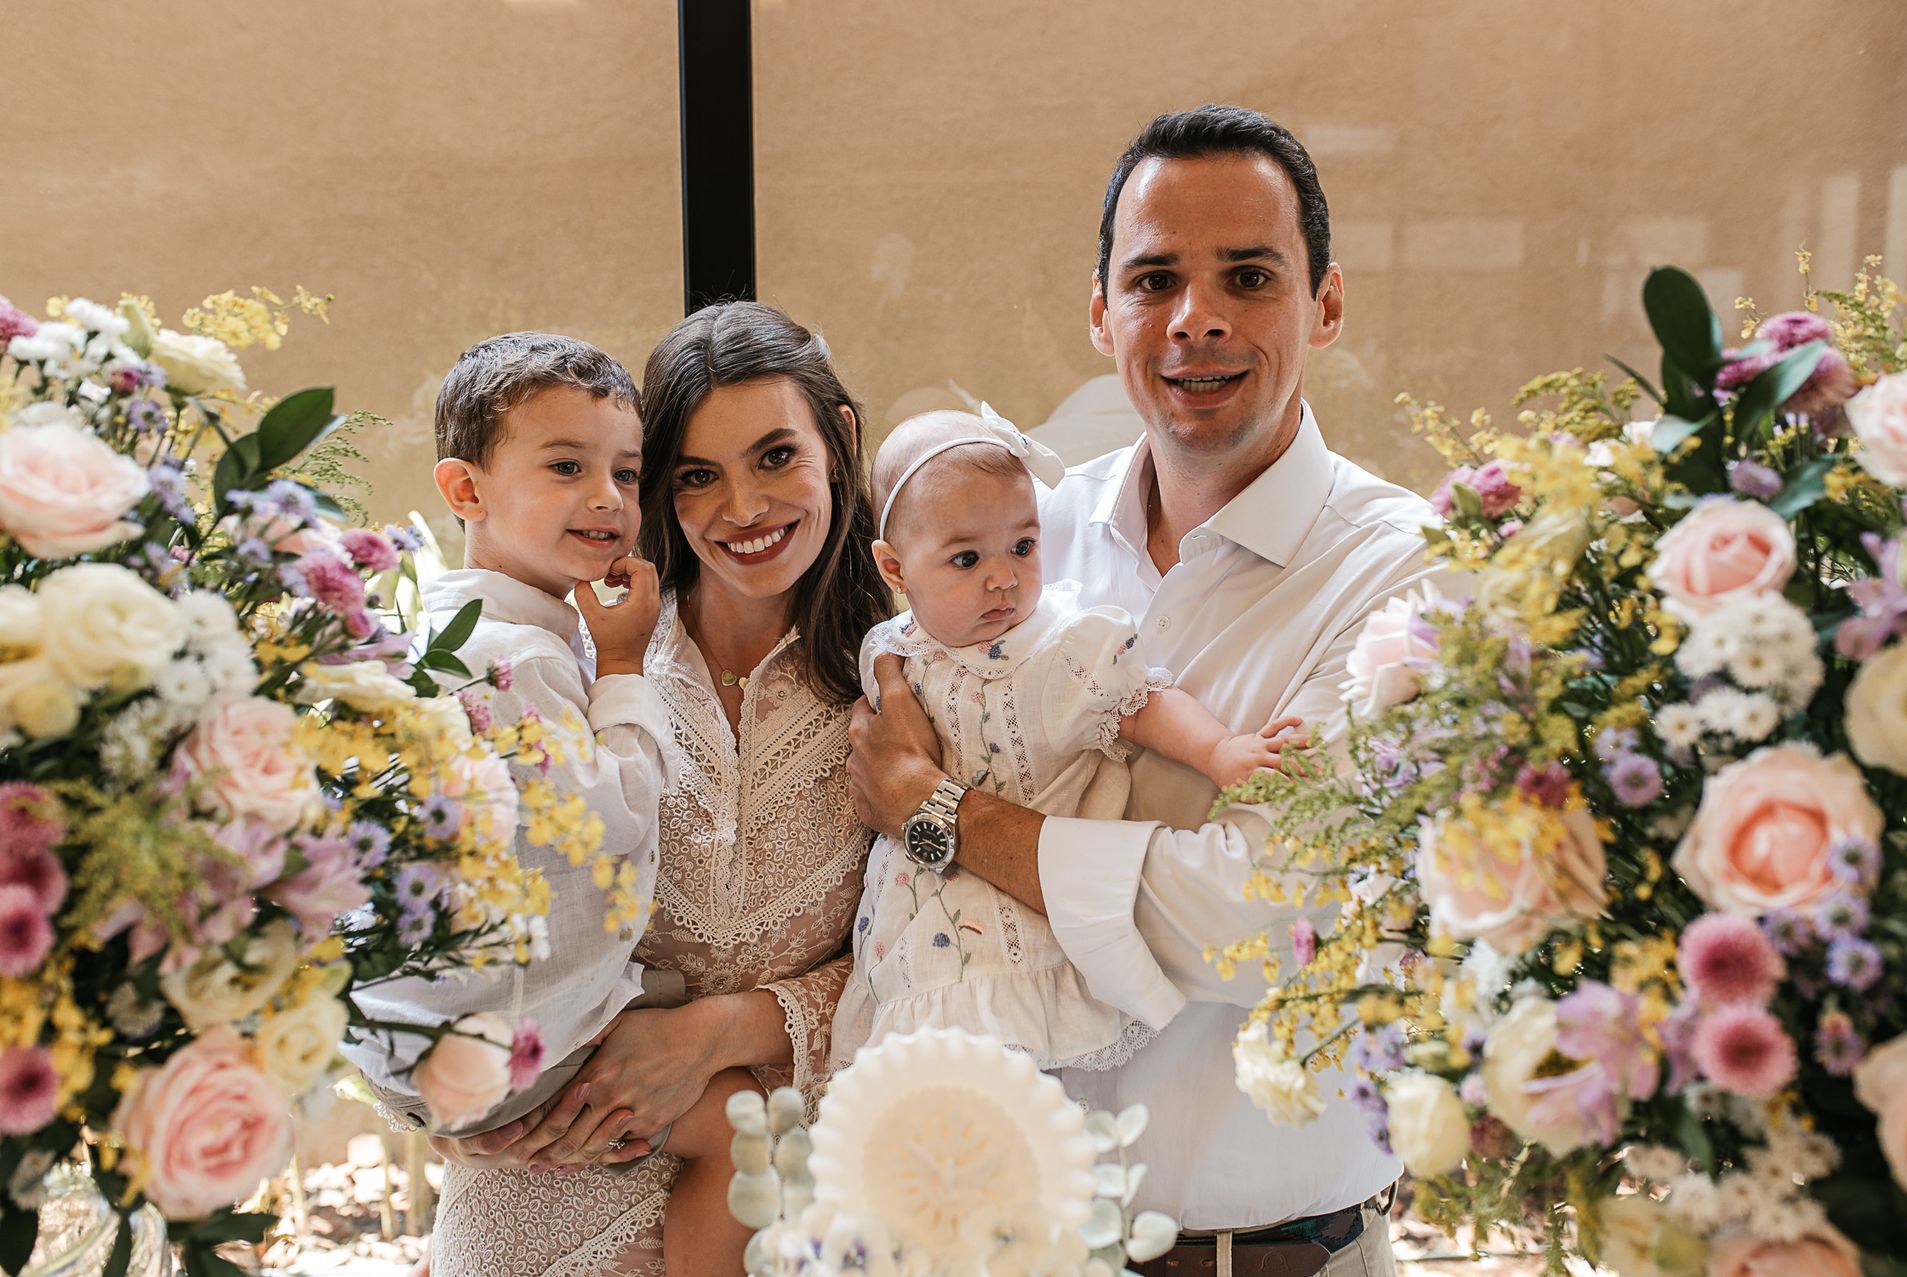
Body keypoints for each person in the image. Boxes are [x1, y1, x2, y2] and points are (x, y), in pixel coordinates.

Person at [846, 105, 1442, 1276]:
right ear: (1101, 310)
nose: (1196, 319)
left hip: (1265, 1257)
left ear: (1325, 304)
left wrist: (945, 818)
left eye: (1248, 276)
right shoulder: (1028, 536)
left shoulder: (1401, 573)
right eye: (1155, 277)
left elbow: (1269, 913)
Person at [431, 302, 893, 1277]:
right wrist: (424, 1092)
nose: (745, 508)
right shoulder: (578, 657)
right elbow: (405, 880)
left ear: (840, 440)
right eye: (697, 476)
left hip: (791, 1211)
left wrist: (721, 1031)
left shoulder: (917, 681)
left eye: (776, 456)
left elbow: (964, 962)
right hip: (532, 1197)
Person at [345, 331, 760, 1277]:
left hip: (424, 1050)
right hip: (517, 1048)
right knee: (745, 1126)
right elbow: (613, 822)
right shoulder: (519, 659)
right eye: (567, 466)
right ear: (465, 491)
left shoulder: (423, 637)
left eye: (627, 470)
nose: (608, 498)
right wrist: (621, 663)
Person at [830, 404, 1305, 1072]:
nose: (1003, 577)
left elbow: (1144, 704)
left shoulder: (1058, 647)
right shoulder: (896, 649)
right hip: (912, 933)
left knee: (1010, 1101)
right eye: (966, 558)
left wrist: (1219, 751)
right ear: (894, 569)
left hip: (1014, 929)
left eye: (1023, 546)